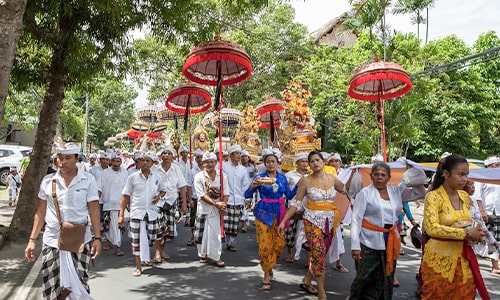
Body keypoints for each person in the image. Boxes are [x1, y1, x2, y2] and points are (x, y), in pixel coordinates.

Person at [24, 143, 102, 299]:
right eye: (60, 158)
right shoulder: (48, 181)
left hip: (80, 240)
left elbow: (94, 209)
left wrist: (97, 238)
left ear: (77, 159)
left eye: (68, 158)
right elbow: (40, 212)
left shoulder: (88, 180)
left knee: (79, 285)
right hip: (52, 241)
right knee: (50, 285)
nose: (63, 162)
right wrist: (32, 240)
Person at [349, 162, 426, 299]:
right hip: (368, 241)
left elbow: (420, 193)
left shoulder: (396, 191)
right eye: (376, 175)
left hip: (390, 241)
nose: (379, 178)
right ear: (371, 176)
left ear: (389, 177)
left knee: (386, 276)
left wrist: (414, 175)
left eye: (383, 175)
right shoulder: (365, 193)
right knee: (364, 277)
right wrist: (355, 246)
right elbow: (356, 219)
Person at [279, 150, 349, 300]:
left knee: (320, 254)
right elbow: (296, 203)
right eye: (312, 161)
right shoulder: (305, 181)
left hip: (330, 222)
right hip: (311, 221)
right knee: (317, 252)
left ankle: (307, 279)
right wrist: (284, 221)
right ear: (309, 165)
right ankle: (322, 292)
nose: (315, 163)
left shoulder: (332, 178)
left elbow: (348, 190)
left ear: (323, 162)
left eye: (318, 160)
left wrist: (358, 174)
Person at [421, 154, 489, 299]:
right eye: (461, 174)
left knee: (466, 295)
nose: (465, 179)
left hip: (463, 259)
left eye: (466, 175)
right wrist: (466, 234)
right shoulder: (433, 197)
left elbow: (470, 223)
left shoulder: (464, 197)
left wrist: (478, 234)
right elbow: (431, 228)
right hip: (439, 260)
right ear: (446, 174)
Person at [244, 148, 298, 291]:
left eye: (273, 161)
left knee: (279, 244)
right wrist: (253, 186)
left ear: (277, 163)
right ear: (265, 163)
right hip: (263, 213)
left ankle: (270, 265)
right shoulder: (259, 177)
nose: (270, 164)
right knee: (265, 244)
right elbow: (247, 193)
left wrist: (301, 183)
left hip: (280, 213)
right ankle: (266, 274)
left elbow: (290, 195)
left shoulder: (282, 178)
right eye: (268, 162)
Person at [118, 151, 166, 276]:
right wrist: (121, 215)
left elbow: (163, 190)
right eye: (142, 160)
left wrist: (158, 197)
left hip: (151, 213)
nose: (145, 163)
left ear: (152, 163)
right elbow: (125, 196)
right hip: (136, 213)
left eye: (148, 161)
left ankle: (146, 256)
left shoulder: (157, 177)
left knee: (151, 237)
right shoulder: (132, 177)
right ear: (138, 162)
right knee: (136, 240)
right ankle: (138, 266)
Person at [193, 152, 228, 267]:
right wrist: (216, 204)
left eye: (212, 162)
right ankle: (203, 254)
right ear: (203, 163)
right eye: (207, 162)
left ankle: (216, 256)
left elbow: (226, 192)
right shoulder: (198, 177)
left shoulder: (222, 176)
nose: (210, 164)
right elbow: (202, 195)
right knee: (202, 234)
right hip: (204, 208)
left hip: (217, 210)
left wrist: (223, 205)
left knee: (215, 234)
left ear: (216, 162)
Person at [153, 146, 188, 262]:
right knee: (158, 227)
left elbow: (182, 186)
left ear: (173, 156)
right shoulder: (155, 169)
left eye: (169, 153)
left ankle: (162, 250)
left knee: (167, 229)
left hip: (172, 201)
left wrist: (184, 204)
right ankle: (157, 252)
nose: (167, 155)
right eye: (164, 153)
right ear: (161, 156)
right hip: (158, 202)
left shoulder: (176, 169)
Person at [473, 155, 500, 274]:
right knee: (484, 237)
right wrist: (481, 210)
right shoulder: (482, 178)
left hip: (498, 211)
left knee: (497, 238)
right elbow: (477, 195)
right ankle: (494, 264)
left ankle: (496, 263)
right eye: (496, 165)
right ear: (490, 165)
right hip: (486, 212)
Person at [98, 152, 129, 256]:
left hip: (120, 204)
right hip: (108, 204)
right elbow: (99, 188)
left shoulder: (125, 173)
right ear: (111, 162)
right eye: (114, 161)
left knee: (116, 227)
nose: (116, 163)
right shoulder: (105, 173)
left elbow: (128, 190)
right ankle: (116, 245)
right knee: (111, 226)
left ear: (121, 162)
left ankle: (116, 245)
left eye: (118, 161)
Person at [223, 145, 250, 252]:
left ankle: (230, 243)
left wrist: (247, 198)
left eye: (240, 153)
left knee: (234, 223)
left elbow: (245, 185)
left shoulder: (243, 170)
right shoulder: (224, 166)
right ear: (231, 155)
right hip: (226, 199)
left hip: (238, 199)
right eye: (237, 153)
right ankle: (222, 241)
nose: (239, 156)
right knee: (225, 222)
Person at [284, 152, 309, 264]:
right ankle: (289, 253)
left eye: (306, 161)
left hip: (306, 208)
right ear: (297, 163)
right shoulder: (289, 175)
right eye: (302, 161)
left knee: (306, 234)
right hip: (292, 206)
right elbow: (284, 191)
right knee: (290, 231)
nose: (304, 164)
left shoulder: (311, 176)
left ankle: (307, 259)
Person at [187, 149, 205, 246]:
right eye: (197, 157)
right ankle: (193, 236)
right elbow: (189, 186)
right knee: (193, 218)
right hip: (195, 198)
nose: (199, 159)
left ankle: (203, 238)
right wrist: (190, 199)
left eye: (201, 157)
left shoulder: (208, 171)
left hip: (206, 199)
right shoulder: (192, 171)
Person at [241, 150, 258, 232]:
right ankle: (244, 223)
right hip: (240, 189)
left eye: (246, 156)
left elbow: (256, 176)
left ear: (248, 158)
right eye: (242, 156)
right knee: (243, 206)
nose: (244, 158)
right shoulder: (239, 167)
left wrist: (255, 166)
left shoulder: (251, 167)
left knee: (248, 206)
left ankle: (245, 223)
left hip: (250, 189)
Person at [177, 145, 193, 226]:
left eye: (186, 152)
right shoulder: (178, 164)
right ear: (181, 154)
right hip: (180, 187)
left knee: (188, 202)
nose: (185, 154)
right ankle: (181, 215)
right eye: (183, 153)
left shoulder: (191, 164)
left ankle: (187, 218)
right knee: (181, 202)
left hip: (189, 186)